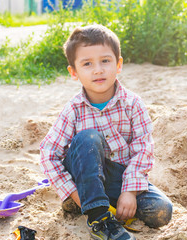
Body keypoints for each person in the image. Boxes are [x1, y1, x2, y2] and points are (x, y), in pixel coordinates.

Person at [39, 25, 172, 240]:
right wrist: (76, 194)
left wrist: (129, 192)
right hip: (84, 175)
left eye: (105, 61)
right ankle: (98, 217)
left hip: (119, 177)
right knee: (88, 137)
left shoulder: (133, 104)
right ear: (74, 72)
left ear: (118, 64)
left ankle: (101, 202)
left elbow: (143, 150)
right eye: (87, 64)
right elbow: (48, 154)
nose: (98, 70)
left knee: (162, 211)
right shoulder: (73, 110)